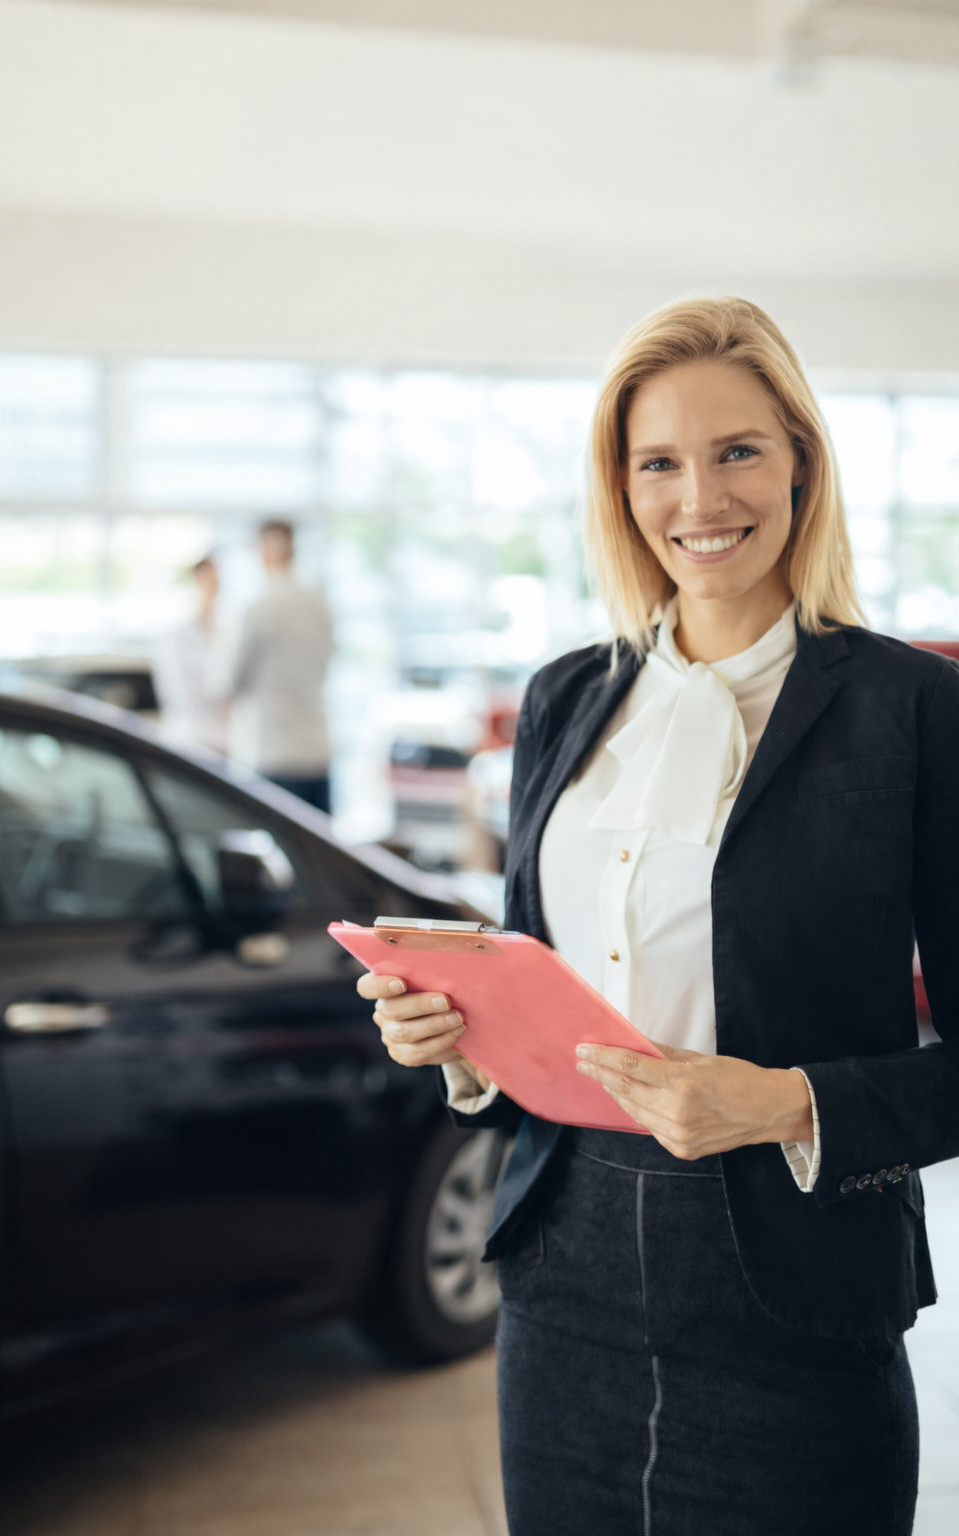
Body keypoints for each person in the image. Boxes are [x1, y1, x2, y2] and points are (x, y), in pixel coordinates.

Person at [357, 297, 959, 1535]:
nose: (701, 498)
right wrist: (453, 1038)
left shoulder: (912, 708)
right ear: (618, 487)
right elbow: (529, 966)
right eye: (658, 463)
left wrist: (786, 1101)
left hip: (793, 1292)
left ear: (801, 459)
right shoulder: (564, 697)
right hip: (560, 1275)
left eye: (737, 450)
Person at [229, 519, 334, 813]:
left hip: (274, 753)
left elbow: (230, 678)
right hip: (316, 749)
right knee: (319, 852)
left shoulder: (259, 608)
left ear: (266, 549)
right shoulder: (320, 605)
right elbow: (324, 667)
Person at [153, 555, 230, 755]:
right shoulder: (176, 635)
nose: (214, 584)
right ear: (197, 580)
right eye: (209, 577)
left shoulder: (226, 630)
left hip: (225, 740)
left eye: (217, 578)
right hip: (189, 739)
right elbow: (179, 692)